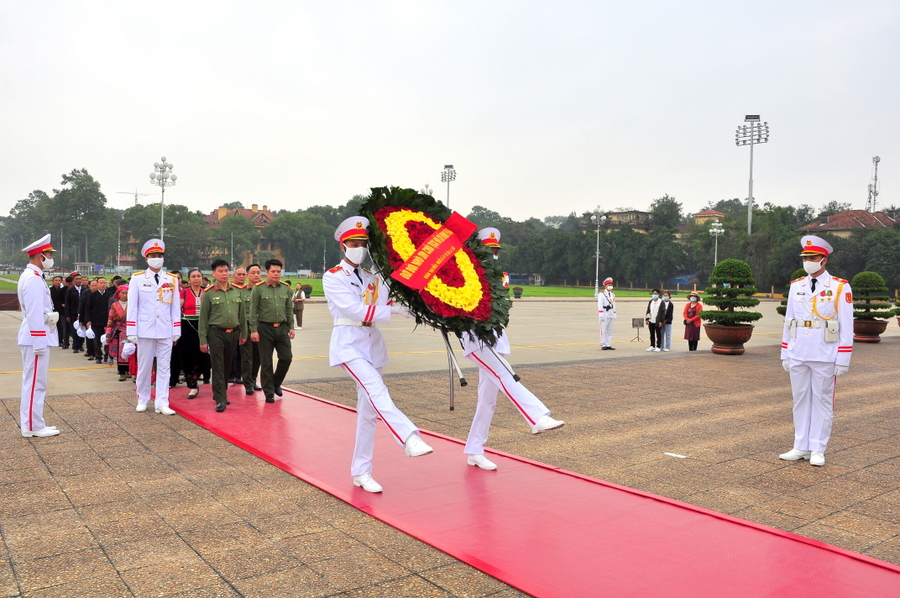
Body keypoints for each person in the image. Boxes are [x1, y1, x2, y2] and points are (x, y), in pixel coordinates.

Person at [323, 216, 432, 493]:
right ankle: (408, 437)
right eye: (354, 243)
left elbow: (389, 301)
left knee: (368, 412)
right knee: (376, 389)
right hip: (349, 343)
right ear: (343, 246)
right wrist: (395, 311)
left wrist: (419, 311)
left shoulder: (373, 277)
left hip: (372, 344)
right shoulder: (333, 277)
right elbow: (356, 311)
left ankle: (361, 471)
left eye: (363, 243)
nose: (359, 247)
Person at [461, 228, 565, 471]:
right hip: (476, 339)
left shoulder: (497, 276)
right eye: (489, 250)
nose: (494, 254)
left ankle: (475, 450)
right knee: (505, 375)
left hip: (496, 338)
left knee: (487, 401)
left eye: (496, 250)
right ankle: (536, 417)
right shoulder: (466, 275)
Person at [779, 235, 853, 467]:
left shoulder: (840, 287)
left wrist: (843, 357)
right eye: (805, 257)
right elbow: (789, 320)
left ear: (824, 260)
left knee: (822, 401)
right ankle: (800, 445)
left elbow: (847, 325)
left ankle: (818, 448)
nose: (808, 261)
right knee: (799, 399)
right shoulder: (796, 286)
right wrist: (785, 352)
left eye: (813, 257)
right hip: (798, 350)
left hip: (825, 352)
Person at [126, 239, 181, 415]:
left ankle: (162, 402)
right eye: (153, 256)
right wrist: (131, 330)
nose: (156, 259)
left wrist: (176, 330)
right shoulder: (138, 278)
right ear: (146, 258)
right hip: (145, 329)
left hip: (165, 329)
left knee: (165, 367)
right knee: (144, 365)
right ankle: (142, 397)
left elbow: (174, 308)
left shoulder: (171, 279)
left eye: (159, 256)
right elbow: (132, 306)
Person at [18, 234, 60, 437]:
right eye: (49, 254)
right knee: (36, 382)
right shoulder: (33, 279)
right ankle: (33, 426)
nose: (51, 257)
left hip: (37, 335)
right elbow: (34, 313)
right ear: (41, 256)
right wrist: (39, 342)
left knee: (34, 381)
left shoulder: (32, 276)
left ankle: (34, 423)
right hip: (37, 336)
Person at [199, 259, 247, 412]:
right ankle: (221, 398)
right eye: (220, 271)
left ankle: (220, 393)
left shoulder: (237, 291)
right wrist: (203, 340)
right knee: (218, 366)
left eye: (226, 270)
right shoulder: (209, 293)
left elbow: (242, 315)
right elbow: (203, 318)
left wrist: (243, 333)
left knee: (227, 365)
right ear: (214, 273)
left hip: (233, 333)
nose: (224, 273)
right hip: (216, 333)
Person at [249, 259, 295, 403]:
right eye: (273, 271)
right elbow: (253, 310)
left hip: (282, 328)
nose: (276, 274)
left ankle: (275, 383)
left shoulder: (286, 288)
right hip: (264, 328)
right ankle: (269, 392)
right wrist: (253, 330)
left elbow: (289, 309)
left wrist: (291, 327)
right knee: (266, 362)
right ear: (267, 272)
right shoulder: (258, 288)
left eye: (278, 271)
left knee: (287, 357)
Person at [179, 268, 208, 399]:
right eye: (193, 276)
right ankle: (192, 386)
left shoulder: (207, 293)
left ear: (202, 278)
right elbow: (176, 311)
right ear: (189, 279)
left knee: (205, 358)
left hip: (203, 327)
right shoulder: (183, 293)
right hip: (187, 327)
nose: (196, 279)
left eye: (198, 276)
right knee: (188, 358)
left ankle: (200, 375)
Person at [240, 263, 262, 395]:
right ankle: (247, 383)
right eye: (253, 273)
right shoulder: (242, 291)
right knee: (247, 357)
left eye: (258, 272)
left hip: (261, 329)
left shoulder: (264, 290)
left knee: (258, 356)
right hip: (246, 328)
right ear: (247, 275)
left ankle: (253, 380)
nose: (256, 275)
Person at [106, 285, 134, 381]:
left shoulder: (133, 304)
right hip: (119, 332)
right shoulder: (115, 305)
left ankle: (129, 371)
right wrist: (108, 334)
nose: (125, 295)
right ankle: (121, 372)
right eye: (122, 293)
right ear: (118, 294)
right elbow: (110, 320)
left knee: (130, 352)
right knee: (120, 353)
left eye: (127, 293)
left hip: (131, 332)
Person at [228, 267, 248, 384]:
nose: (241, 277)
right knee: (232, 352)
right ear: (234, 276)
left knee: (243, 353)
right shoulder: (230, 289)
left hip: (245, 325)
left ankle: (239, 375)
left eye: (243, 274)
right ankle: (230, 374)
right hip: (232, 325)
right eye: (238, 274)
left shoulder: (250, 289)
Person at [83, 276, 109, 364]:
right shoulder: (92, 296)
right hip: (95, 321)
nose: (102, 285)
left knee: (107, 340)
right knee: (97, 340)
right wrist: (88, 320)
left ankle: (107, 355)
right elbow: (87, 309)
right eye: (100, 283)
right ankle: (98, 356)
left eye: (104, 283)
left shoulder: (109, 295)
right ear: (97, 284)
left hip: (107, 321)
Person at [65, 273, 88, 353]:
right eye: (77, 279)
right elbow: (67, 303)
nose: (78, 280)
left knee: (82, 330)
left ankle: (81, 345)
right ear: (73, 281)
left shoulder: (84, 290)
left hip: (82, 314)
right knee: (74, 331)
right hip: (73, 314)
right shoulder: (70, 290)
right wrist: (67, 315)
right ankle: (75, 346)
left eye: (79, 279)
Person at [597, 276, 616, 350]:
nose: (610, 286)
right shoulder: (602, 294)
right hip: (604, 313)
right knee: (603, 330)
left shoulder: (612, 294)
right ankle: (603, 344)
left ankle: (608, 344)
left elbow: (614, 304)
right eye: (609, 285)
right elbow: (600, 304)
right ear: (605, 285)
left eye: (611, 285)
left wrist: (614, 313)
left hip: (610, 313)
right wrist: (600, 313)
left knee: (609, 330)